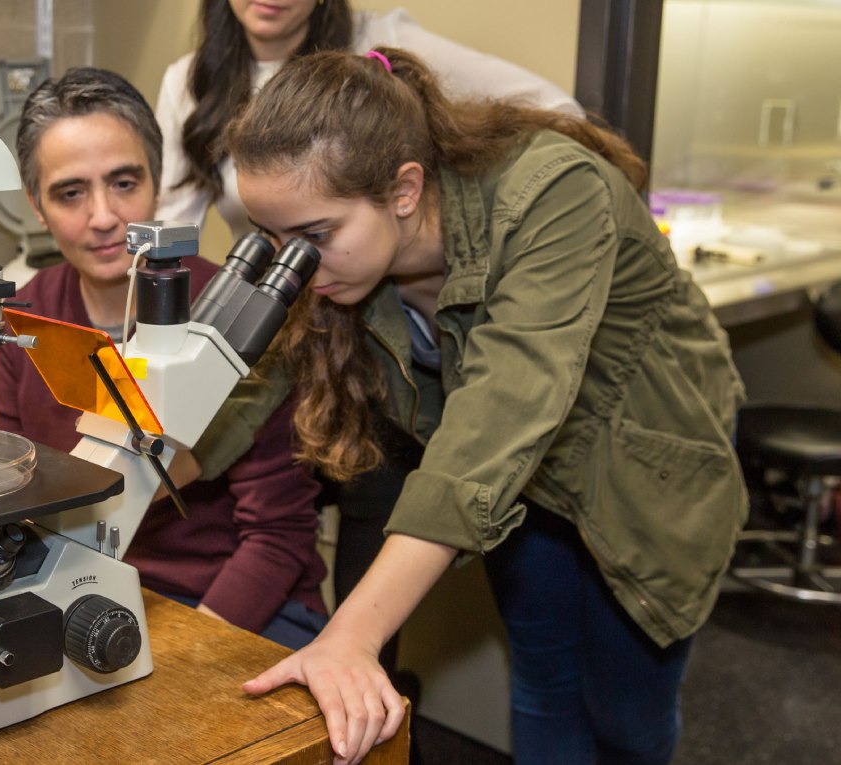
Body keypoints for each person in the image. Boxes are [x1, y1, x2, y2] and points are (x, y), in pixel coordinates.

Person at [220, 48, 748, 765]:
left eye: (314, 237)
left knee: (626, 714)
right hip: (521, 489)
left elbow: (498, 414)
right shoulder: (346, 261)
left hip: (642, 476)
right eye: (274, 239)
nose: (297, 263)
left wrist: (350, 636)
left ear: (404, 190)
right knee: (544, 685)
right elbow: (238, 389)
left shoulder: (555, 192)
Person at [0, 67, 329, 650]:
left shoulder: (240, 320)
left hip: (228, 602)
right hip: (90, 593)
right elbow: (19, 494)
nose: (103, 217)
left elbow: (277, 536)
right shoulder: (27, 318)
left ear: (157, 183)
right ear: (36, 206)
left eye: (124, 183)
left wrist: (189, 654)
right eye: (71, 192)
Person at [155, 0, 583, 238]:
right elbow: (171, 234)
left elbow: (558, 111)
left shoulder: (382, 46)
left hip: (382, 322)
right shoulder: (187, 84)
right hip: (272, 323)